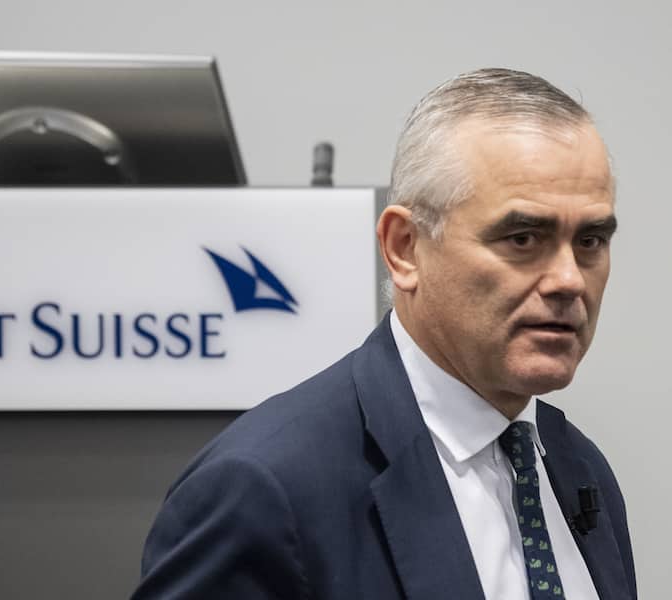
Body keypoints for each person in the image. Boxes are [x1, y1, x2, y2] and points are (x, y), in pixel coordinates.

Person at [131, 68, 637, 600]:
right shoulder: (263, 487)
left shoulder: (578, 466)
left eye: (591, 241)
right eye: (522, 237)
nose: (568, 280)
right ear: (404, 248)